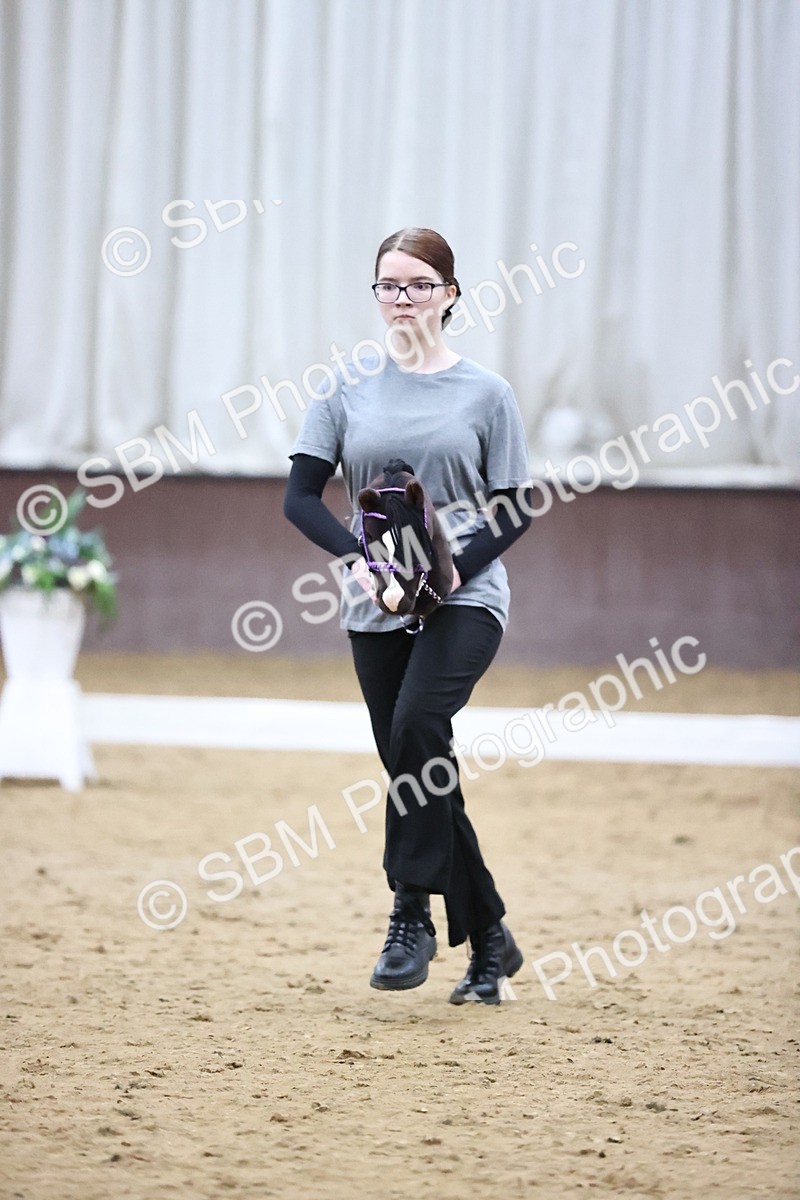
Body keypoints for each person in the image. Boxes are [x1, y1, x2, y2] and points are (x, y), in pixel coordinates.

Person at [284, 227, 533, 1004]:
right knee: (418, 770)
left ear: (449, 294)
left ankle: (410, 913)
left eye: (419, 284)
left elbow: (515, 505)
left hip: (466, 596)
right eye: (389, 284)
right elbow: (300, 497)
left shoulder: (487, 393)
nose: (402, 298)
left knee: (418, 727)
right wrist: (362, 562)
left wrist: (450, 571)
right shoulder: (344, 387)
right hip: (377, 599)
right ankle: (490, 940)